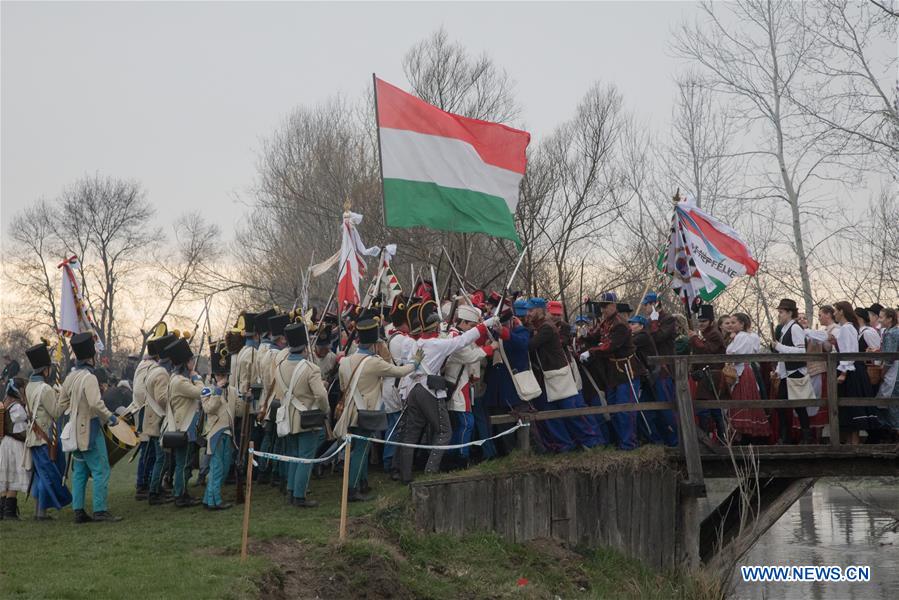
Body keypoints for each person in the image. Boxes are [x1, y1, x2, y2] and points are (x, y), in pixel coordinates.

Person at [394, 304, 493, 484]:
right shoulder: (437, 344)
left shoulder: (416, 344)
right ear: (436, 327)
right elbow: (462, 341)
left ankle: (405, 475)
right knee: (444, 432)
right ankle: (430, 471)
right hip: (428, 392)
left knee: (412, 433)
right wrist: (486, 324)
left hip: (413, 390)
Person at [337, 317, 418, 497]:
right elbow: (399, 371)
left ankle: (362, 482)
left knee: (359, 449)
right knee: (361, 451)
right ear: (374, 342)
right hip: (366, 412)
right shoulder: (374, 362)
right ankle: (352, 489)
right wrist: (416, 363)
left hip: (351, 411)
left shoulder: (345, 361)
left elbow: (343, 386)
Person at [58, 332, 122, 523]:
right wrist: (110, 417)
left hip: (75, 431)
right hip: (91, 431)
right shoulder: (90, 378)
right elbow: (95, 403)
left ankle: (78, 511)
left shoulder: (70, 377)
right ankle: (100, 510)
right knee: (102, 469)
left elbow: (61, 404)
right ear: (91, 356)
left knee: (80, 472)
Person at [275, 322, 330, 508]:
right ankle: (299, 496)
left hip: (289, 419)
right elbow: (321, 395)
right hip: (307, 418)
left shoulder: (280, 365)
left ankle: (291, 491)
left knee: (293, 456)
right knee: (305, 458)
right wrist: (325, 410)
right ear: (305, 347)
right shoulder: (310, 368)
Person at [581, 292, 641, 450]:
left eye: (605, 306)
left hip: (626, 371)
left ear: (614, 306)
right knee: (613, 408)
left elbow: (610, 345)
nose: (603, 310)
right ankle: (619, 442)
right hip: (613, 373)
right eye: (601, 306)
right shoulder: (605, 322)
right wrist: (584, 336)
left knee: (624, 410)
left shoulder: (620, 324)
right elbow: (595, 336)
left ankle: (629, 444)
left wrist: (591, 352)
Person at [24, 342, 71, 520]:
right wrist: (62, 397)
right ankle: (41, 513)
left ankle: (39, 511)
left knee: (40, 475)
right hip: (45, 438)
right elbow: (57, 413)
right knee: (48, 476)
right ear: (45, 370)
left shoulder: (29, 386)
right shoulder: (45, 389)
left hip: (34, 437)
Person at [444, 303, 493, 467]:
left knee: (462, 424)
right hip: (457, 385)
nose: (472, 330)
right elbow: (469, 356)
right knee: (467, 423)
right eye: (471, 326)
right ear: (463, 323)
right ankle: (460, 457)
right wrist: (490, 348)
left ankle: (455, 456)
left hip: (462, 382)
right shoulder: (455, 338)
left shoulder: (458, 335)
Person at [162, 336, 204, 508]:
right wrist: (197, 377)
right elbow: (202, 392)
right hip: (184, 427)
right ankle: (180, 494)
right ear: (185, 363)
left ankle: (181, 492)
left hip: (182, 425)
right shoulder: (180, 381)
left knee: (182, 462)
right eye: (191, 360)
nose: (193, 363)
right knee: (183, 463)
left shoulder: (176, 379)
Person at [832, 301, 880, 444]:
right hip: (849, 369)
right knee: (847, 412)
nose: (834, 313)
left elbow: (850, 351)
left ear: (841, 311)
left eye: (835, 311)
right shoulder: (846, 328)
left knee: (852, 410)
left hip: (851, 371)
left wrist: (844, 373)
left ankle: (854, 446)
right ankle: (850, 445)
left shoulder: (848, 328)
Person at [770, 299, 814, 444]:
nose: (779, 315)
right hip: (786, 372)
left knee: (799, 406)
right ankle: (786, 437)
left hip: (796, 371)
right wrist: (778, 370)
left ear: (789, 313)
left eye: (781, 312)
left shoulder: (795, 328)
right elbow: (783, 356)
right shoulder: (784, 329)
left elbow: (801, 351)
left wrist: (779, 347)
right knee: (782, 406)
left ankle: (806, 438)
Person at [725, 314, 770, 441]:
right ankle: (740, 434)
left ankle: (745, 433)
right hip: (741, 370)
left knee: (742, 398)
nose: (731, 325)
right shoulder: (738, 336)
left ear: (742, 324)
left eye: (734, 322)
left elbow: (736, 353)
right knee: (738, 399)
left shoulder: (743, 336)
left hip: (742, 370)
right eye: (730, 322)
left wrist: (731, 345)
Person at [201, 340, 233, 510]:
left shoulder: (231, 389)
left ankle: (208, 498)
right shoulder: (208, 390)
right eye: (220, 375)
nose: (223, 378)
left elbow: (237, 408)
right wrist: (218, 390)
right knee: (217, 468)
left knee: (224, 467)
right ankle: (215, 501)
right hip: (215, 433)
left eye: (224, 374)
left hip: (228, 432)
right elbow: (208, 408)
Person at [688, 304, 728, 442]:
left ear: (711, 321)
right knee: (712, 408)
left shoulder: (714, 334)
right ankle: (720, 439)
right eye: (699, 321)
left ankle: (709, 440)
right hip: (707, 374)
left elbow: (706, 350)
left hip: (713, 375)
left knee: (705, 408)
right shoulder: (707, 334)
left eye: (704, 321)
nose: (701, 324)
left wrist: (694, 338)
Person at [146, 333, 175, 505]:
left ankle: (155, 489)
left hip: (152, 419)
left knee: (160, 457)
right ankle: (154, 492)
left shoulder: (153, 369)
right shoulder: (162, 374)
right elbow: (162, 399)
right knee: (161, 458)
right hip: (159, 421)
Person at [0, 378, 29, 519]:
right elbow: (24, 418)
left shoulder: (6, 403)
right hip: (14, 443)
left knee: (6, 477)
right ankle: (9, 512)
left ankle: (3, 510)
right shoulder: (17, 406)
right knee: (14, 477)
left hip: (6, 443)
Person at [877, 308, 899, 434]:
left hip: (894, 372)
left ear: (890, 318)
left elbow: (889, 358)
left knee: (893, 408)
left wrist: (882, 373)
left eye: (882, 317)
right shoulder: (891, 331)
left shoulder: (891, 333)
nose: (879, 320)